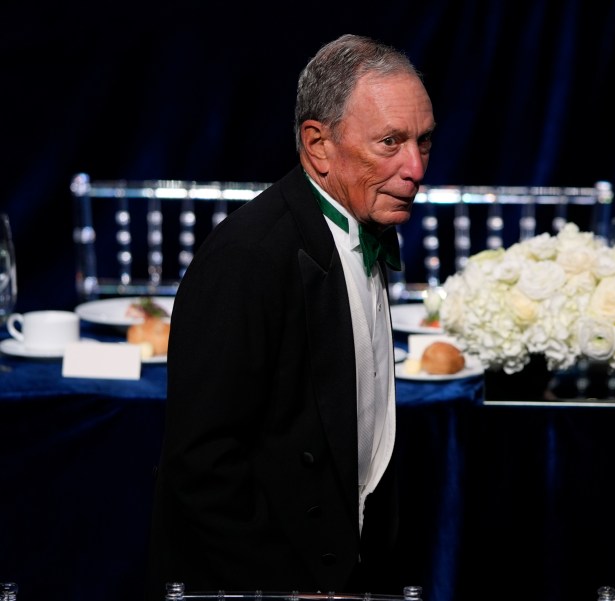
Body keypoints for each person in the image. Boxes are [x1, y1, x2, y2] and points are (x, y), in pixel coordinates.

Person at [145, 33, 435, 599]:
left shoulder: (364, 228)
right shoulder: (246, 259)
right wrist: (287, 589)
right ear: (318, 146)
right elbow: (201, 462)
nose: (416, 166)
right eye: (390, 142)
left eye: (424, 141)